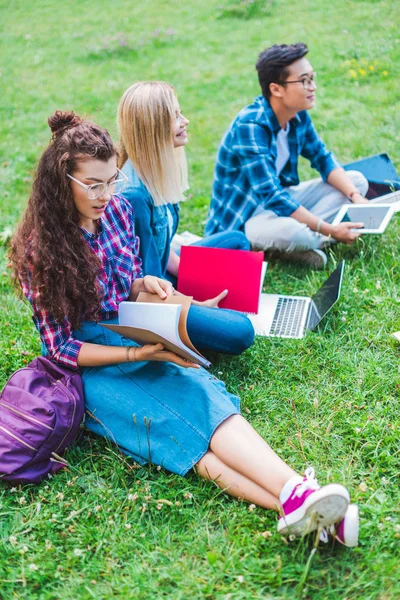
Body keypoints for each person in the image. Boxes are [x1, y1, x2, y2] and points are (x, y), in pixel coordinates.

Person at [10, 111, 358, 546]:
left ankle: (300, 505)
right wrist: (138, 355)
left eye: (111, 179)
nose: (105, 194)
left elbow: (129, 280)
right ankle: (298, 494)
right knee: (185, 426)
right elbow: (62, 346)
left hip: (133, 329)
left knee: (202, 402)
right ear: (62, 183)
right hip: (92, 364)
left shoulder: (116, 210)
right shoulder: (40, 250)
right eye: (93, 185)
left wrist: (145, 282)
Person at [117, 81, 255, 355]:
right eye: (176, 117)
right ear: (153, 127)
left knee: (237, 241)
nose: (185, 121)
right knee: (241, 331)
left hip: (164, 277)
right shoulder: (134, 196)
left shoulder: (154, 172)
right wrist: (195, 303)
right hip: (150, 301)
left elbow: (159, 248)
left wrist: (197, 276)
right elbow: (148, 283)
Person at [205, 43, 369, 269]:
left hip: (279, 205)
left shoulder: (297, 116)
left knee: (357, 181)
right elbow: (271, 196)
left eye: (312, 78)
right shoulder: (250, 126)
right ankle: (306, 241)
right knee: (292, 233)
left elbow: (323, 159)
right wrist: (329, 229)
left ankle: (299, 243)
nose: (312, 87)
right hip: (247, 219)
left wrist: (356, 196)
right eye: (304, 81)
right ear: (276, 89)